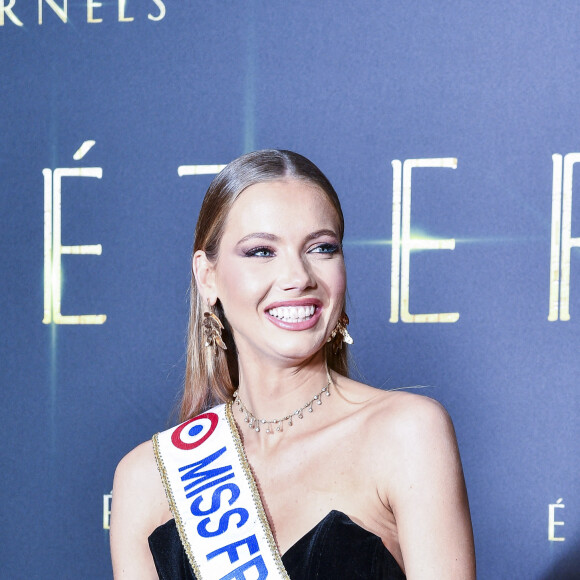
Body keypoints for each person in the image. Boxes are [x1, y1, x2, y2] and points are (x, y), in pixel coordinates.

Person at [110, 149, 476, 579]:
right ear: (207, 277)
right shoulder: (148, 478)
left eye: (321, 248)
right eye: (262, 251)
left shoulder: (407, 434)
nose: (298, 276)